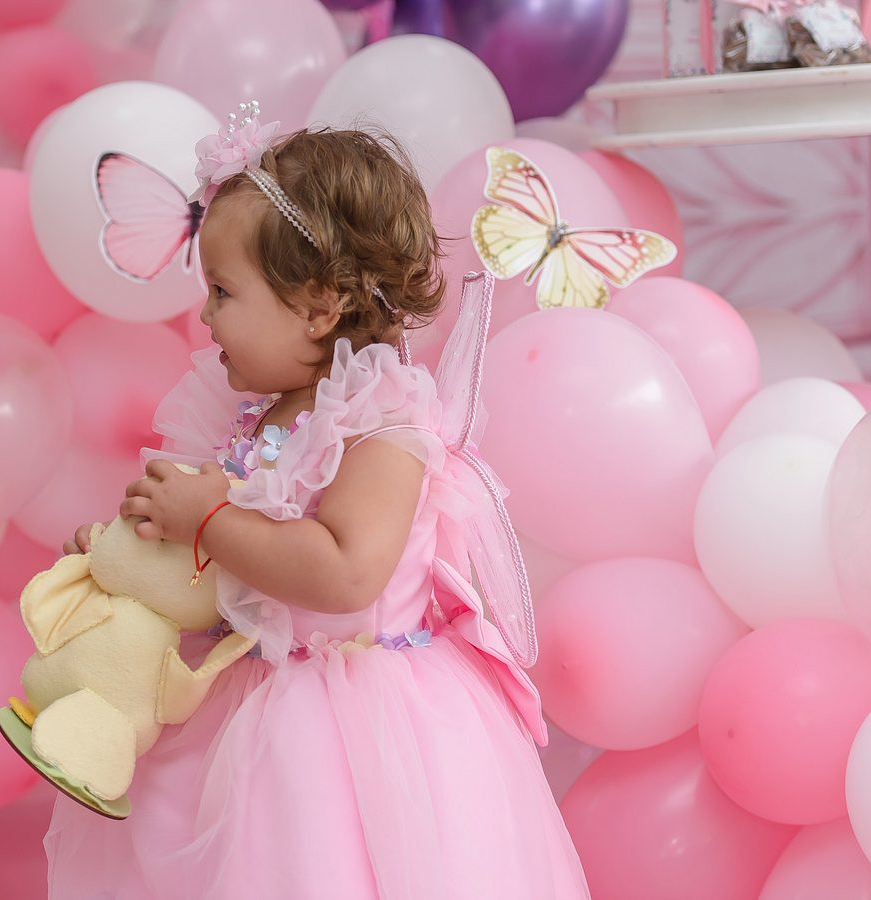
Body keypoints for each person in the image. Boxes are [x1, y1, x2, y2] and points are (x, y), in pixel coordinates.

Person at [45, 106, 590, 900]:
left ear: (318, 306)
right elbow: (225, 579)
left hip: (357, 723)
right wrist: (133, 556)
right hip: (248, 698)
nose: (205, 315)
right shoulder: (249, 417)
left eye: (224, 291)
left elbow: (345, 573)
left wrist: (209, 519)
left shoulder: (382, 426)